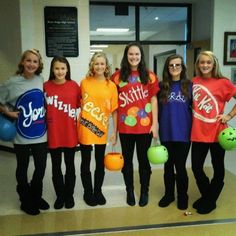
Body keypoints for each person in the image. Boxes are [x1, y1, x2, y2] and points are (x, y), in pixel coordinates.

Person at [0, 49, 49, 215]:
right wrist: (7, 112)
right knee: (22, 167)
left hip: (40, 133)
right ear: (22, 62)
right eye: (28, 60)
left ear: (39, 64)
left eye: (35, 61)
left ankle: (36, 195)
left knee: (41, 166)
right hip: (21, 135)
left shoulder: (40, 80)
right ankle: (25, 199)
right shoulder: (12, 82)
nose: (31, 64)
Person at [111, 42, 159, 207]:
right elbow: (114, 105)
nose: (134, 57)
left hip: (145, 126)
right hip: (125, 127)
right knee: (127, 161)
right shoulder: (116, 77)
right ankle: (129, 190)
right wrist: (115, 129)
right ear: (126, 56)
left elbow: (153, 100)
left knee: (144, 161)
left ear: (141, 56)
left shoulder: (149, 75)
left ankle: (144, 191)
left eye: (137, 54)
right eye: (131, 54)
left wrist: (155, 124)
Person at [191, 50, 236, 214]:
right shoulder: (193, 82)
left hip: (218, 133)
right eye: (202, 62)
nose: (205, 65)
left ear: (214, 64)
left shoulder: (223, 82)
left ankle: (209, 201)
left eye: (208, 62)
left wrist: (229, 115)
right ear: (198, 64)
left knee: (218, 167)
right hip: (197, 133)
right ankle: (208, 196)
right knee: (196, 167)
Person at [77, 52, 118, 206]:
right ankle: (88, 192)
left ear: (106, 66)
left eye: (102, 64)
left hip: (102, 128)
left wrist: (115, 132)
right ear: (92, 66)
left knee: (99, 162)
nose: (99, 66)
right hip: (86, 127)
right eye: (96, 64)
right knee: (85, 162)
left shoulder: (111, 85)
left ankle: (98, 191)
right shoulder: (84, 83)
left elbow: (114, 111)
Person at [44, 56, 81, 210]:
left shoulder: (74, 86)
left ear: (67, 70)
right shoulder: (45, 86)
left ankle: (69, 195)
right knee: (56, 166)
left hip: (70, 132)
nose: (60, 71)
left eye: (63, 68)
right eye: (57, 68)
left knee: (70, 165)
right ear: (52, 69)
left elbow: (85, 106)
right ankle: (60, 196)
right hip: (53, 133)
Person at [158, 54, 192, 210]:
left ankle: (182, 196)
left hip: (184, 134)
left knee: (180, 166)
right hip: (166, 133)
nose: (174, 68)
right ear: (167, 68)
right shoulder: (161, 87)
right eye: (171, 65)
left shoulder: (189, 86)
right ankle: (169, 194)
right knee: (167, 167)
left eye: (177, 65)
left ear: (182, 67)